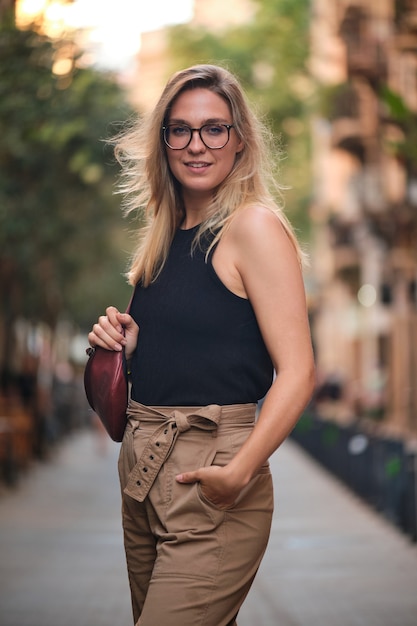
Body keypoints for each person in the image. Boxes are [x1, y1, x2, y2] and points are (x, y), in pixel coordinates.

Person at [88, 64, 315, 626]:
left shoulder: (252, 227)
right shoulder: (164, 236)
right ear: (162, 140)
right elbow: (204, 341)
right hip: (142, 474)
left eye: (215, 128)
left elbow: (299, 370)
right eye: (180, 129)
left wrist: (240, 470)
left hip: (212, 473)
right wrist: (131, 344)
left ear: (240, 140)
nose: (196, 144)